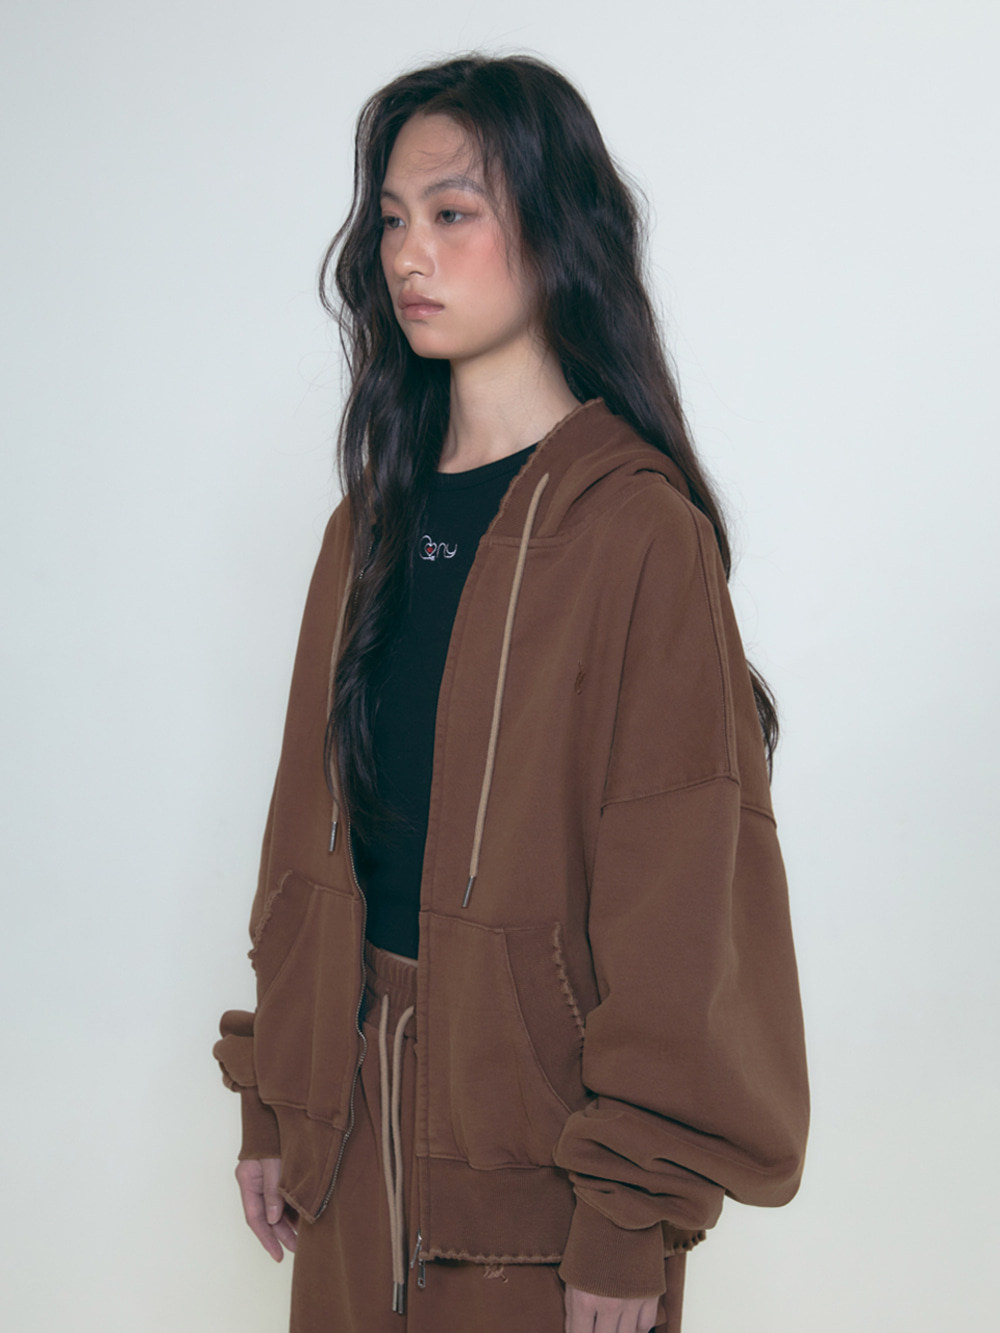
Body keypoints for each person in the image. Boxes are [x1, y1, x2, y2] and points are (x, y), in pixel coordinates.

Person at [213, 52, 809, 1333]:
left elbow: (678, 895)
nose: (407, 253)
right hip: (344, 1134)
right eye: (389, 218)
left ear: (554, 228)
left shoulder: (637, 533)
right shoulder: (368, 523)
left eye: (452, 211)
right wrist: (272, 1091)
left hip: (538, 1174)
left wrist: (628, 1209)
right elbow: (301, 829)